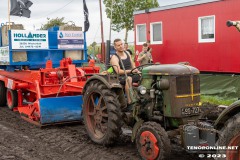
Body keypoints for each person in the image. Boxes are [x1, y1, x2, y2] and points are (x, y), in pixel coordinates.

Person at [110, 39, 140, 105]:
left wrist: (138, 71)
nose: (121, 46)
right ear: (115, 47)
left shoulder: (127, 53)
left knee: (144, 76)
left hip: (131, 74)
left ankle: (142, 95)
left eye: (121, 44)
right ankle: (130, 101)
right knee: (129, 79)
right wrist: (131, 71)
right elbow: (118, 71)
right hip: (121, 77)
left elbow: (133, 65)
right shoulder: (114, 57)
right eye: (118, 45)